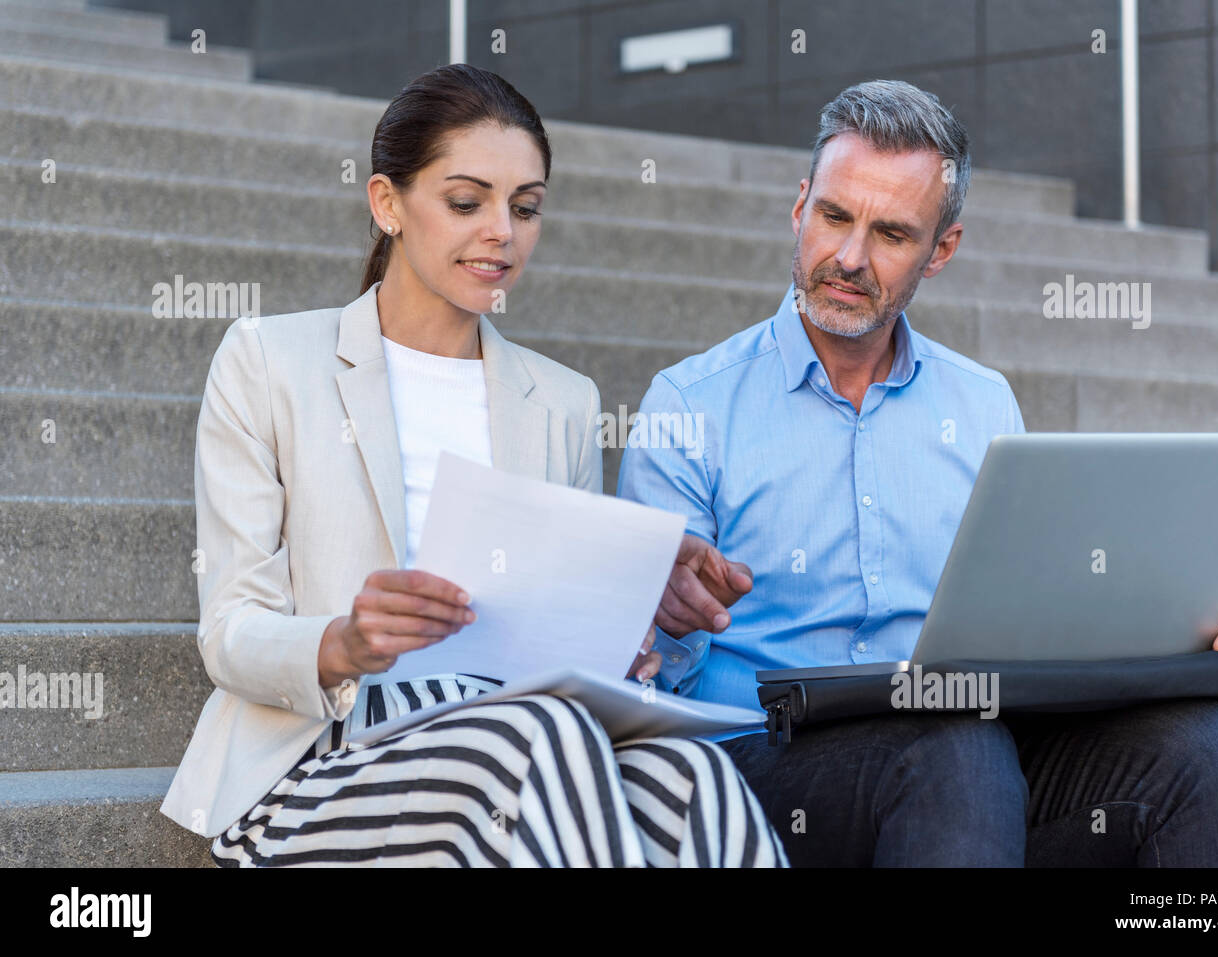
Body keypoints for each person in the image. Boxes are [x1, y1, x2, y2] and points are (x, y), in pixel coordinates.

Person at [617, 78, 1218, 867]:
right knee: (952, 747)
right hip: (763, 768)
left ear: (942, 250)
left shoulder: (982, 403)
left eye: (893, 233)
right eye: (835, 216)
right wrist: (665, 612)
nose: (850, 257)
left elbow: (1034, 616)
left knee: (1207, 742)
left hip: (968, 765)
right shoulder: (688, 403)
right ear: (800, 206)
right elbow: (645, 674)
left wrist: (1164, 633)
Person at [160, 64, 787, 868]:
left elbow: (561, 645)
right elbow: (230, 630)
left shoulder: (561, 399)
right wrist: (346, 640)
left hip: (522, 740)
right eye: (467, 201)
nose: (503, 231)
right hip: (319, 763)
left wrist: (635, 622)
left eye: (525, 208)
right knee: (537, 737)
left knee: (695, 772)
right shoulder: (269, 361)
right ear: (387, 203)